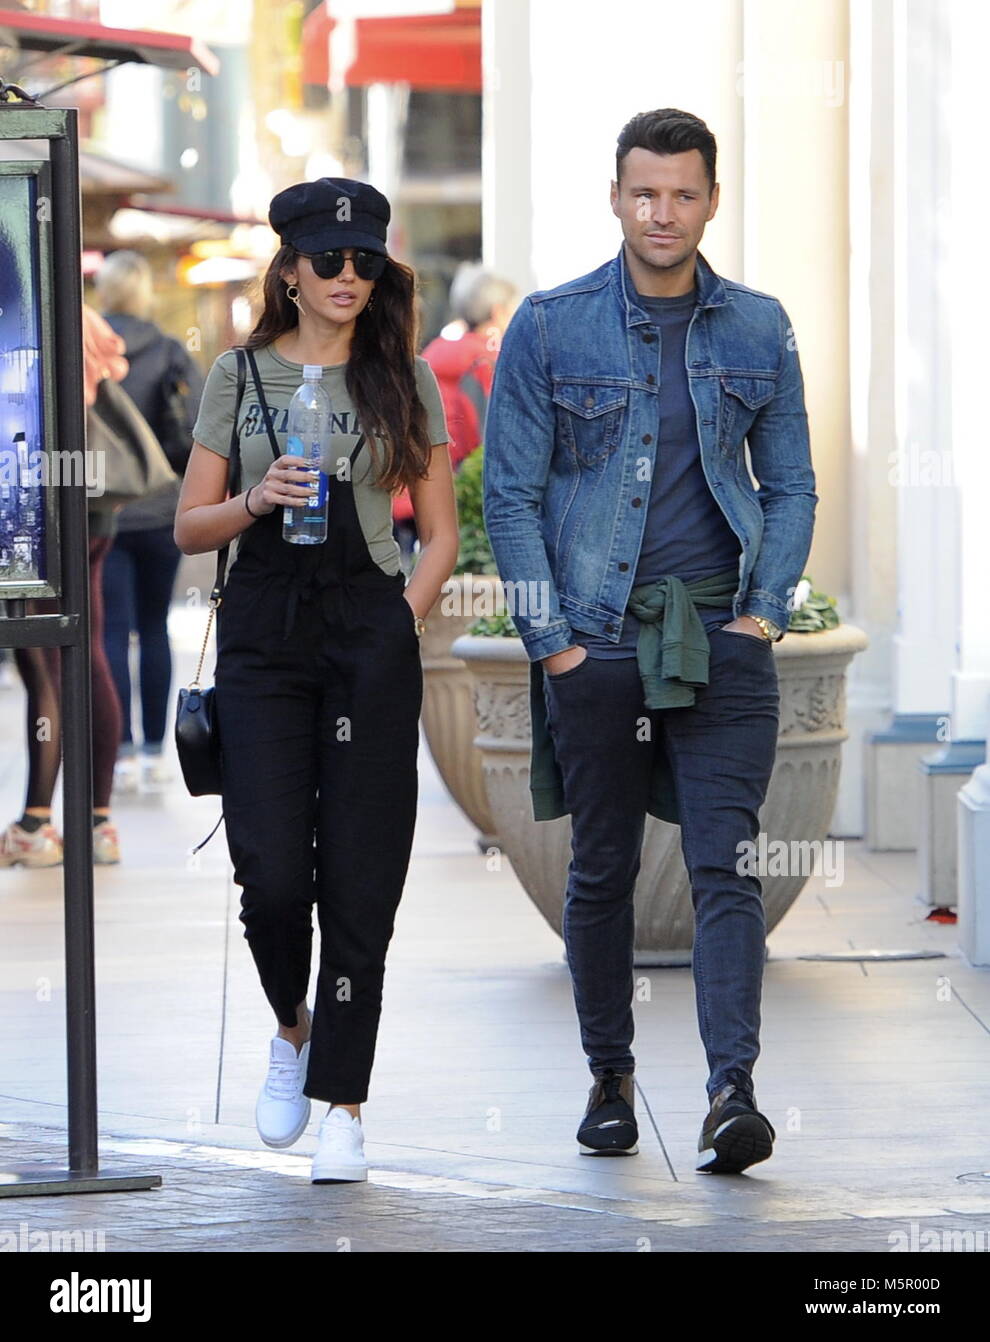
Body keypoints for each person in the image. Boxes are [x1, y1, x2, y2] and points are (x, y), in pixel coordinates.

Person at [482, 108, 817, 1174]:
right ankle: (610, 1077)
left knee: (728, 866)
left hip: (724, 637)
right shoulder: (549, 324)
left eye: (682, 192)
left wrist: (764, 613)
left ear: (711, 199)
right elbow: (510, 494)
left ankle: (732, 1093)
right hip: (597, 637)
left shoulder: (760, 328)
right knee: (604, 870)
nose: (661, 211)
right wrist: (552, 643)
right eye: (644, 192)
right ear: (616, 196)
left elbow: (794, 482)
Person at [175, 177, 458, 1184]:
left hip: (366, 636)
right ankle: (291, 1029)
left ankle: (345, 1103)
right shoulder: (239, 376)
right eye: (329, 259)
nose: (348, 276)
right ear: (289, 269)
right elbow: (188, 525)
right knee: (271, 875)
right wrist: (256, 496)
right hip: (264, 638)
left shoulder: (401, 376)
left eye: (365, 261)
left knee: (360, 878)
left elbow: (441, 528)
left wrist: (399, 620)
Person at [0, 305, 127, 868]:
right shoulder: (81, 312)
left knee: (42, 660)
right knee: (87, 652)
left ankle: (37, 823)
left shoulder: (19, 311)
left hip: (37, 501)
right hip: (90, 501)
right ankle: (97, 822)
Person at [95, 250, 203, 794]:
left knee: (111, 628)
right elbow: (201, 426)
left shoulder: (88, 349)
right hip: (163, 507)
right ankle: (157, 751)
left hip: (105, 508)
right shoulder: (168, 351)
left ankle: (119, 748)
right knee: (155, 626)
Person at [391, 267, 517, 562]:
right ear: (498, 313)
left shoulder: (435, 351)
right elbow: (490, 440)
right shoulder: (488, 361)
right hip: (454, 497)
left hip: (407, 491)